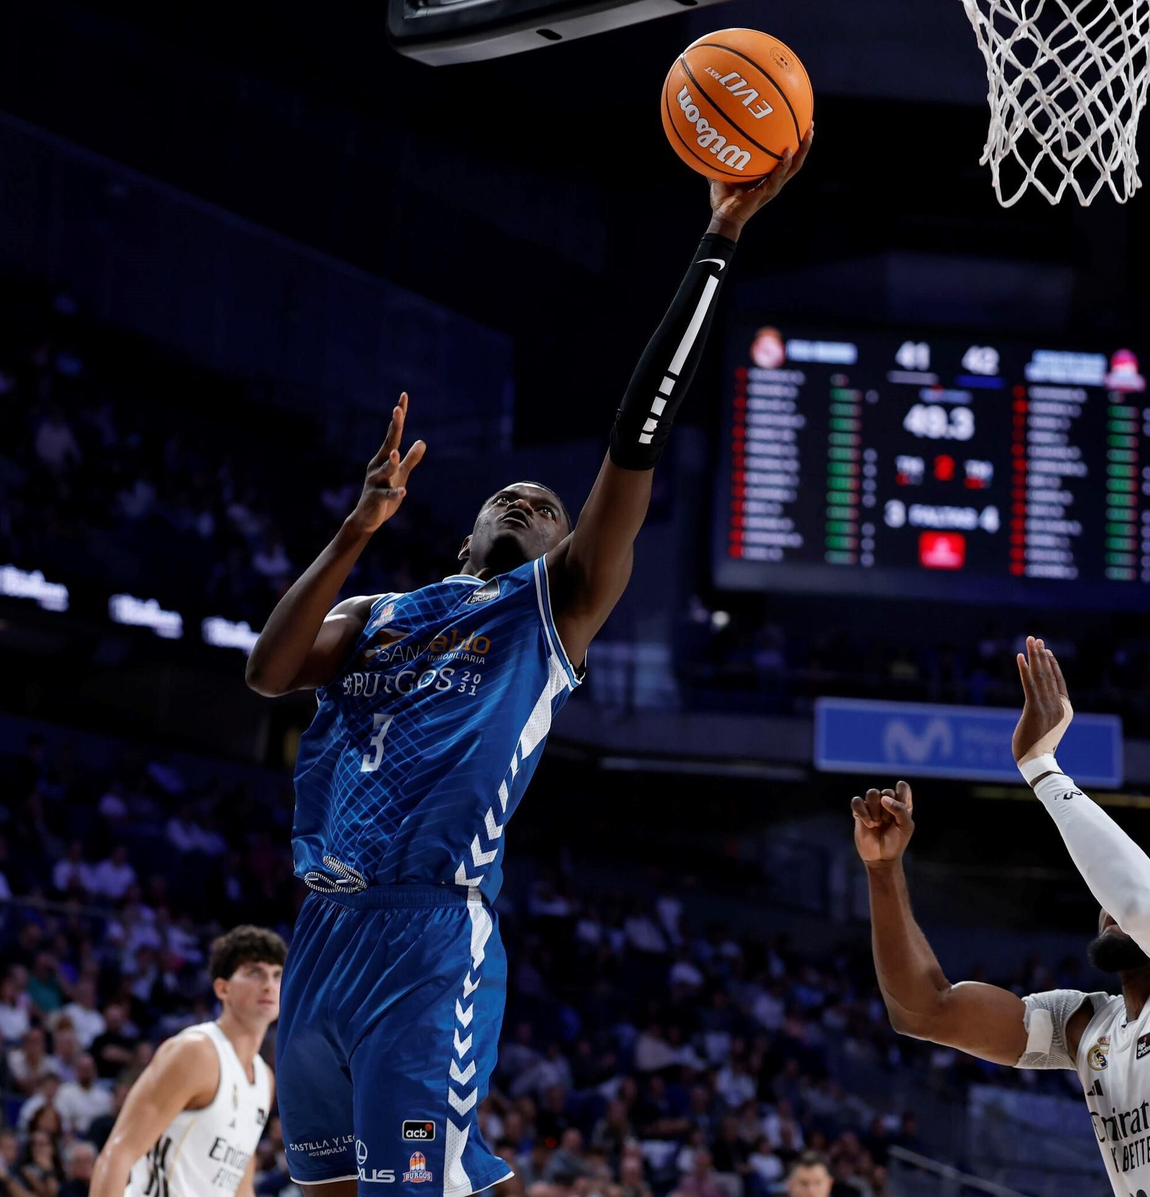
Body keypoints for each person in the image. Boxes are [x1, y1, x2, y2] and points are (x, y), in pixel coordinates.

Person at [248, 133, 813, 1196]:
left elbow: (637, 433)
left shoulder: (553, 606)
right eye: (509, 495)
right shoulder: (379, 609)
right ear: (467, 529)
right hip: (321, 927)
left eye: (549, 507)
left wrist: (718, 238)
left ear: (565, 546)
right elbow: (269, 672)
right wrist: (357, 528)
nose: (527, 498)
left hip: (427, 937)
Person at [852, 636, 1150, 1196]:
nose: (1112, 906)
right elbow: (924, 1011)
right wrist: (883, 872)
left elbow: (1142, 905)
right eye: (1107, 899)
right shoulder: (1086, 1028)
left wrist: (1042, 769)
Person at [92, 927, 282, 1197]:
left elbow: (239, 1182)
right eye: (255, 972)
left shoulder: (264, 1078)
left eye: (277, 975)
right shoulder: (195, 1052)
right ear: (222, 988)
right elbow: (118, 1154)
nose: (269, 985)